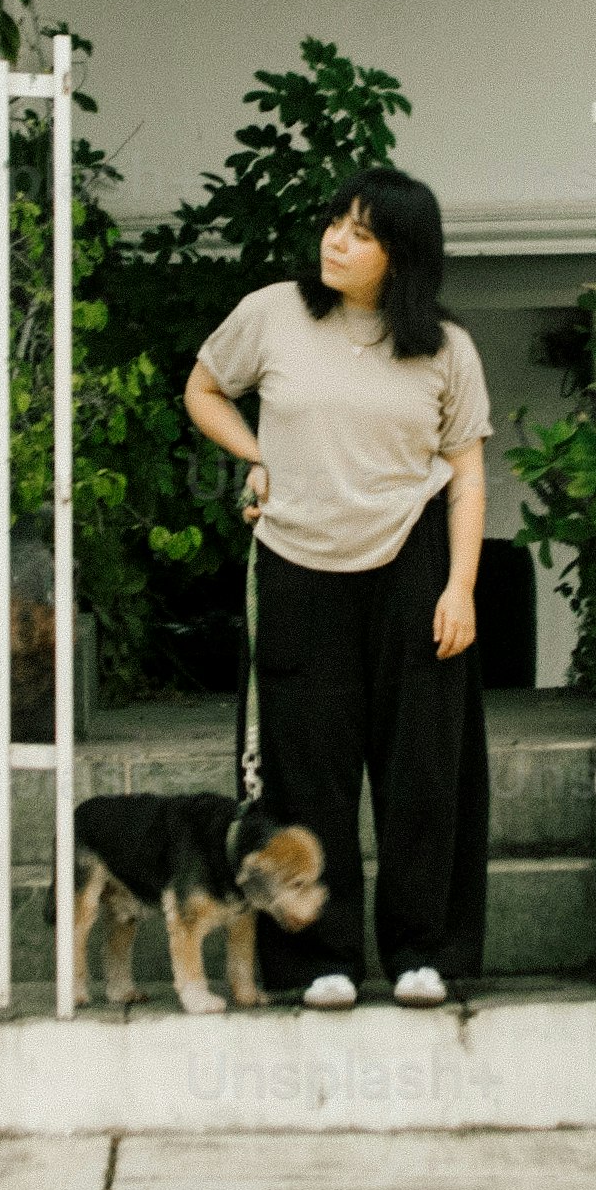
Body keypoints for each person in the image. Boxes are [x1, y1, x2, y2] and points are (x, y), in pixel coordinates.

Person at [180, 170, 494, 1009]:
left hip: (412, 565)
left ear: (403, 255)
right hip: (297, 563)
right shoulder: (273, 311)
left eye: (359, 233)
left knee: (422, 767)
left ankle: (423, 951)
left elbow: (467, 474)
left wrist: (461, 585)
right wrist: (256, 456)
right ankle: (321, 957)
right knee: (306, 765)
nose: (335, 241)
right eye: (333, 224)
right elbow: (202, 388)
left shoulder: (445, 347)